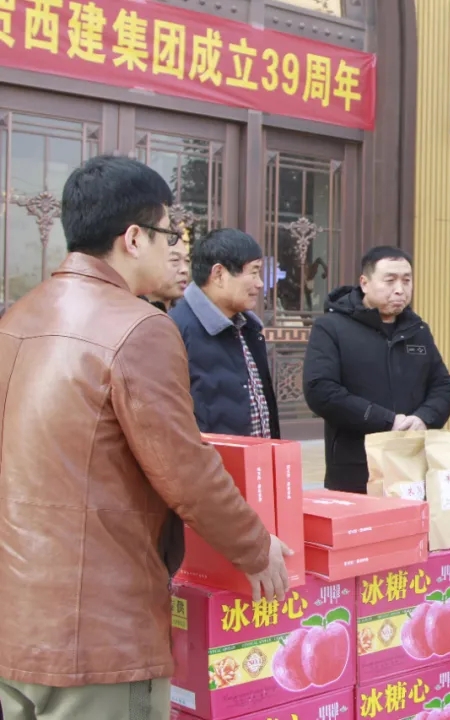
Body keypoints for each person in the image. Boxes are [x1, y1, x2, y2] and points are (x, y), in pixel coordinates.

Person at [0, 155, 290, 720]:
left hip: (16, 617)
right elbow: (184, 467)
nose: (176, 250)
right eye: (168, 235)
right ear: (134, 239)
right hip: (97, 634)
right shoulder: (138, 328)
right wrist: (256, 548)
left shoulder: (16, 319)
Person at [303, 246, 450, 493]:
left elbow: (443, 386)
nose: (400, 289)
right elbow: (321, 391)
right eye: (390, 280)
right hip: (355, 466)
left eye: (406, 280)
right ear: (364, 283)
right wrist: (387, 421)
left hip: (413, 464)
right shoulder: (331, 327)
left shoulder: (418, 330)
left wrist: (424, 418)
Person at [170, 228, 280, 439]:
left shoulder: (248, 328)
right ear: (219, 274)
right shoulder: (175, 330)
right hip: (212, 460)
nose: (260, 283)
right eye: (254, 272)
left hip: (257, 458)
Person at [143, 238, 190, 311]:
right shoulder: (130, 313)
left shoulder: (186, 313)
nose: (185, 269)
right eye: (175, 260)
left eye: (187, 260)